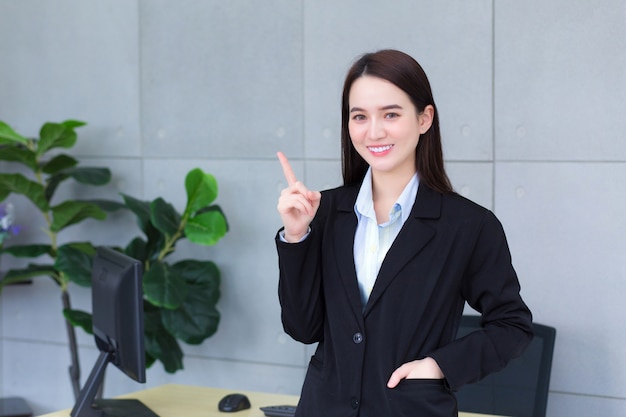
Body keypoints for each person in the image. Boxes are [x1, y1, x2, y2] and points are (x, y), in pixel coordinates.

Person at [275, 49, 533, 417]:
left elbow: (513, 326)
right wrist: (297, 237)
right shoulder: (324, 211)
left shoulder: (468, 226)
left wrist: (439, 366)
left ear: (425, 118)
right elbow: (303, 328)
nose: (374, 131)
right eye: (359, 116)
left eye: (391, 114)